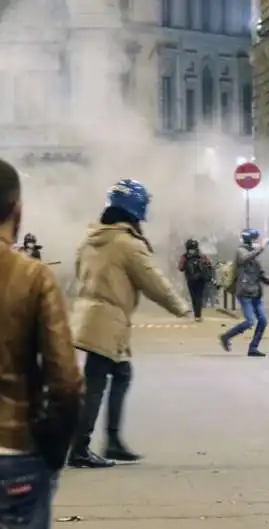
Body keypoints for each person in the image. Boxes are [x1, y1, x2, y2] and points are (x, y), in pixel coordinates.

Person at [0, 158, 83, 529]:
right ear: (17, 210)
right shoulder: (34, 277)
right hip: (11, 453)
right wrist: (50, 453)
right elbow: (66, 382)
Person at [68, 178, 190, 468]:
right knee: (95, 383)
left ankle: (111, 442)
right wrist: (180, 306)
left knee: (120, 374)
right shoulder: (126, 243)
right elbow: (153, 281)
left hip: (90, 315)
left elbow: (78, 272)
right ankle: (80, 449)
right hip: (107, 320)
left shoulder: (92, 238)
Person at [219, 229, 269, 357]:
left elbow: (259, 272)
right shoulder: (241, 251)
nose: (257, 242)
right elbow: (245, 258)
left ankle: (253, 347)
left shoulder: (254, 255)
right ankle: (226, 336)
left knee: (263, 320)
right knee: (250, 321)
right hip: (245, 291)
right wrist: (261, 248)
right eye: (255, 239)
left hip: (256, 292)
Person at [178, 238, 213, 322]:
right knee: (199, 296)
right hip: (201, 279)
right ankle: (198, 315)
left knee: (194, 297)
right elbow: (209, 264)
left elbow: (180, 268)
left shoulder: (185, 256)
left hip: (190, 280)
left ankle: (196, 314)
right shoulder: (201, 255)